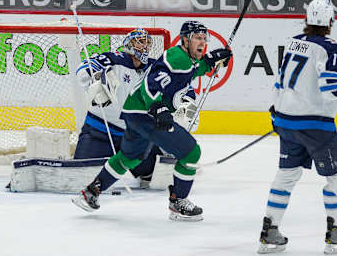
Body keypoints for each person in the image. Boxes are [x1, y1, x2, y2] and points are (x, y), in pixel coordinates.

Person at [72, 21, 232, 221]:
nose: (201, 42)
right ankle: (179, 202)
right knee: (192, 153)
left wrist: (210, 61)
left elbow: (192, 70)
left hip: (133, 113)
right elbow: (151, 84)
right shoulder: (175, 58)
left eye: (203, 38)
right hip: (146, 115)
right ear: (185, 39)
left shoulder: (184, 59)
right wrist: (157, 107)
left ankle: (91, 193)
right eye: (197, 37)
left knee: (129, 158)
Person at [257, 0, 337, 254]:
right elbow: (330, 90)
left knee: (286, 175)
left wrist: (278, 111)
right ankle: (335, 234)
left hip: (285, 120)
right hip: (315, 126)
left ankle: (269, 232)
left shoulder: (295, 41)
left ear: (306, 21)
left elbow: (284, 81)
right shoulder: (331, 49)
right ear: (330, 22)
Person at [74, 28, 197, 188]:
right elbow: (84, 68)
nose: (144, 47)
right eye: (139, 42)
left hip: (137, 135)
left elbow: (184, 88)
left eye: (147, 43)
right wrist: (95, 80)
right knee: (79, 177)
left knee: (153, 178)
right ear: (128, 44)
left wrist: (187, 103)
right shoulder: (113, 58)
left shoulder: (156, 67)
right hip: (100, 132)